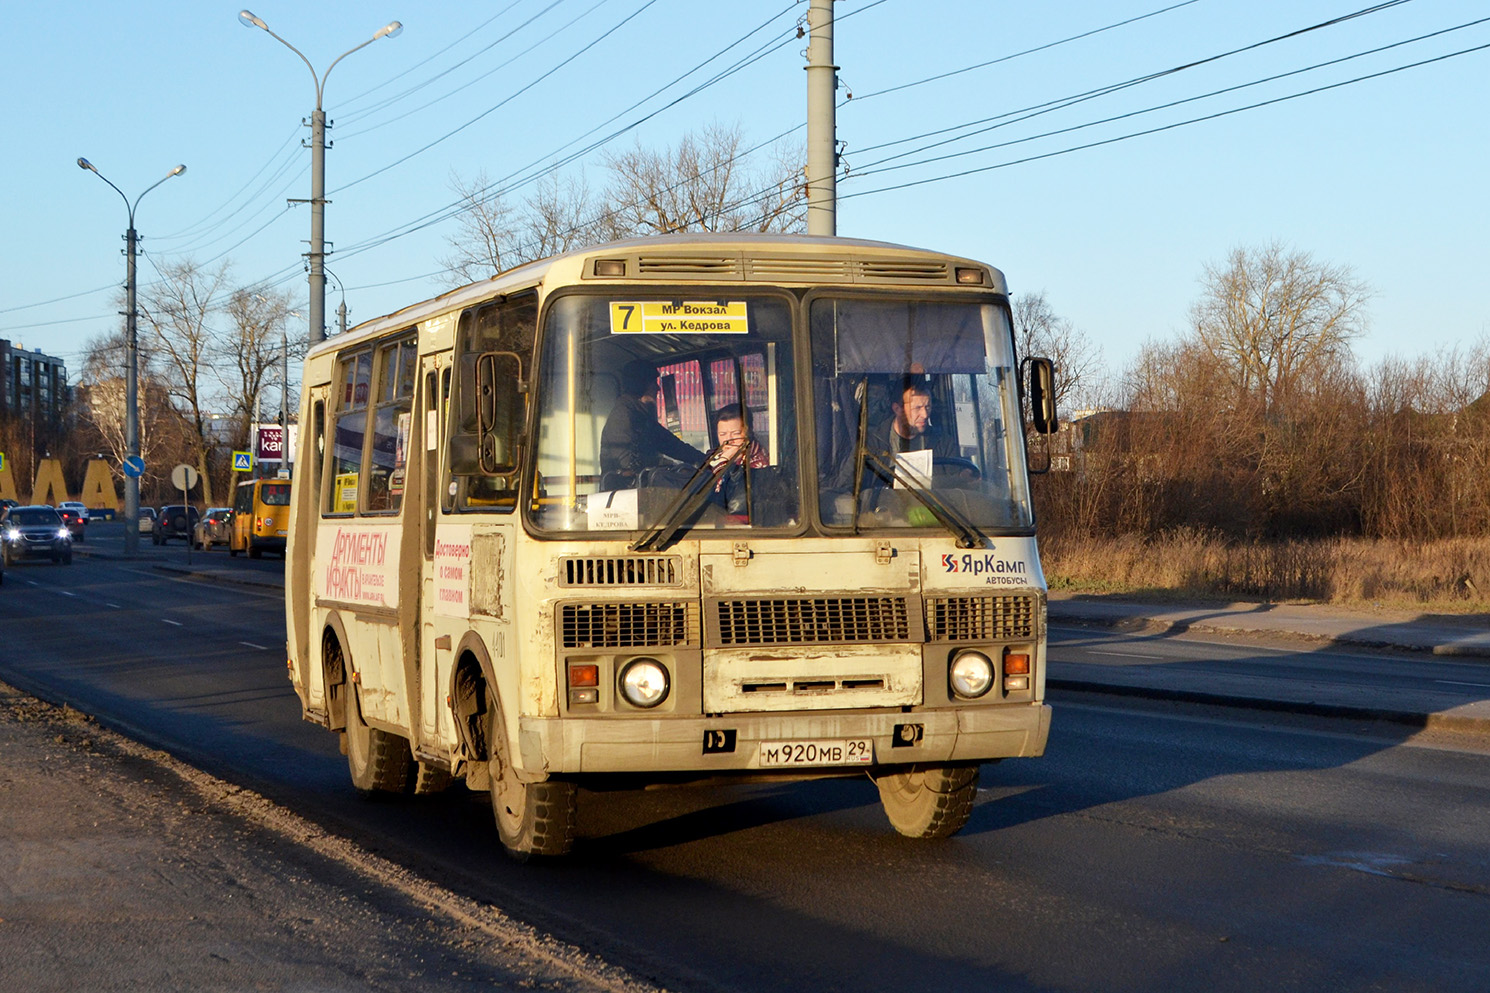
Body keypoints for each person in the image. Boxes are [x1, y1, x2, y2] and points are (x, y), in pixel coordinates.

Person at [599, 359, 704, 481]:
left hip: (642, 487)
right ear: (641, 385)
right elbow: (628, 463)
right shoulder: (623, 415)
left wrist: (703, 459)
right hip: (624, 491)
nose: (658, 388)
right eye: (654, 383)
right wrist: (673, 466)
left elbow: (670, 444)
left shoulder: (641, 414)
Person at [878, 376, 958, 458]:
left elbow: (956, 470)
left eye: (928, 407)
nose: (925, 415)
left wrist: (966, 471)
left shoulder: (943, 443)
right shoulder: (873, 445)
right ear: (897, 409)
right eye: (917, 408)